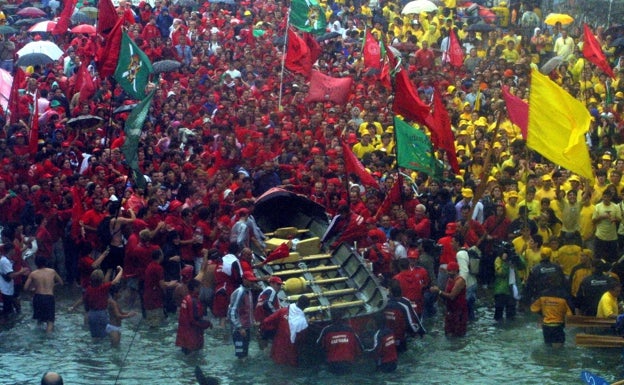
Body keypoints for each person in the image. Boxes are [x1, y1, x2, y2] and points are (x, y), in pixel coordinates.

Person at [260, 295, 310, 366]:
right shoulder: (303, 323)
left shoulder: (283, 311)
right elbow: (302, 341)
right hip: (291, 353)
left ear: (297, 301)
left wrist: (264, 335)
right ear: (305, 307)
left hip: (277, 348)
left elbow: (266, 321)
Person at [24, 255, 64, 333]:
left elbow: (25, 288)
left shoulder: (33, 274)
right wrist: (52, 286)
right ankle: (48, 339)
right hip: (49, 297)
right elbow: (61, 283)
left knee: (39, 321)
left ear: (36, 264)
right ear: (45, 262)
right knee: (50, 322)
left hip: (38, 297)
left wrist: (33, 289)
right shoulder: (52, 271)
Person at [530, 277, 574, 348]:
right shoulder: (564, 296)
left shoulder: (542, 295)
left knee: (548, 347)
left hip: (546, 326)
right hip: (558, 326)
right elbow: (570, 313)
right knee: (558, 350)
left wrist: (543, 313)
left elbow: (533, 308)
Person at [317, 309, 363, 375]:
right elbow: (360, 346)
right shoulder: (350, 329)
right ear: (342, 317)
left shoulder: (326, 330)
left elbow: (318, 346)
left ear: (331, 317)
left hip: (332, 364)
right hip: (348, 363)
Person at [383, 279, 424, 352]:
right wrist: (421, 332)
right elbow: (412, 322)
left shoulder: (384, 304)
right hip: (401, 339)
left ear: (390, 291)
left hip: (388, 339)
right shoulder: (405, 303)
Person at [83, 267, 123, 338]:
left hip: (91, 314)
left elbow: (85, 301)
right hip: (101, 313)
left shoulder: (88, 289)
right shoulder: (103, 288)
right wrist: (121, 270)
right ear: (102, 279)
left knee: (95, 337)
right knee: (103, 337)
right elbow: (115, 281)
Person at [430, 261, 468, 337]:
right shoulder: (450, 280)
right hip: (450, 309)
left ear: (455, 271)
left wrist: (439, 291)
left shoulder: (460, 281)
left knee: (458, 334)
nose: (447, 273)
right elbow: (446, 294)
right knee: (448, 332)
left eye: (449, 271)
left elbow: (452, 296)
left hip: (459, 310)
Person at [176, 279, 213, 354]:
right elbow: (195, 320)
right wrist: (208, 323)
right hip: (192, 337)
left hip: (184, 336)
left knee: (186, 357)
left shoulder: (186, 298)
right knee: (193, 358)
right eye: (199, 287)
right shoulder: (193, 301)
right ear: (195, 288)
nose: (200, 289)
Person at [143, 249, 178, 328]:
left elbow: (156, 282)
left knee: (156, 321)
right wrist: (171, 285)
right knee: (154, 324)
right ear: (159, 256)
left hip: (148, 296)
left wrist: (168, 283)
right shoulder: (158, 268)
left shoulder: (150, 265)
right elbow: (162, 285)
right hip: (154, 298)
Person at [228, 270, 258, 359]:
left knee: (245, 354)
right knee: (241, 356)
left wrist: (253, 322)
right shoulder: (239, 292)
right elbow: (232, 311)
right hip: (239, 330)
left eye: (252, 280)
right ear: (244, 280)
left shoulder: (248, 292)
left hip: (246, 328)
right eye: (250, 280)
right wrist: (239, 327)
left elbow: (249, 310)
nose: (252, 282)